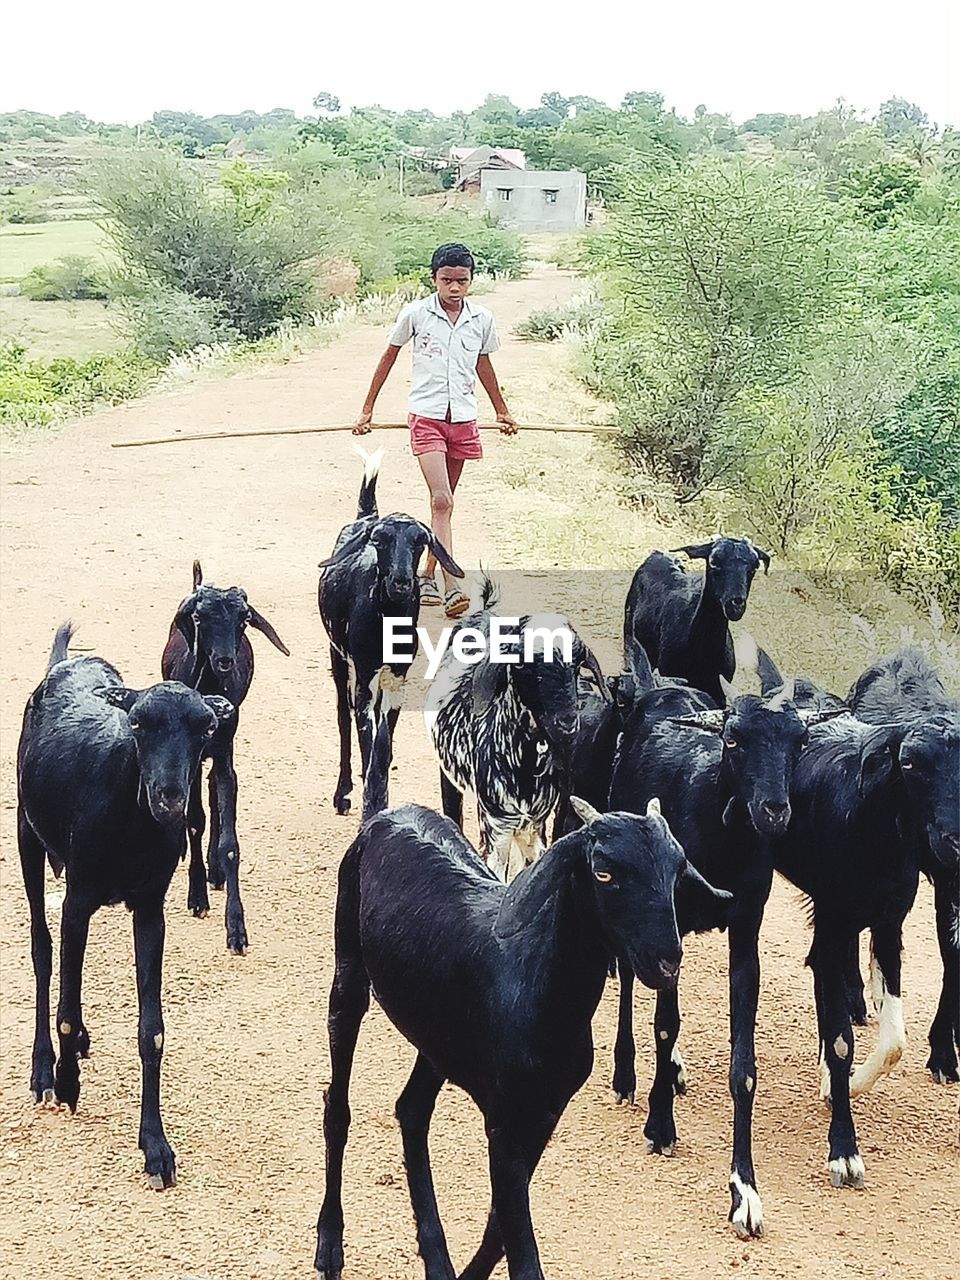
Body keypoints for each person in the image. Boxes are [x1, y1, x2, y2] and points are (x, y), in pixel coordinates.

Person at [353, 242, 516, 617]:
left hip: (463, 417)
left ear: (471, 281)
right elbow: (389, 357)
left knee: (443, 505)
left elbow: (483, 365)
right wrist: (367, 410)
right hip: (426, 416)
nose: (454, 288)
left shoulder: (482, 320)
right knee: (442, 500)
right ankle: (452, 586)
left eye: (462, 280)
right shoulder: (416, 314)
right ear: (434, 279)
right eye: (447, 280)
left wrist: (503, 411)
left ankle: (426, 574)